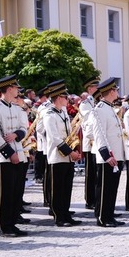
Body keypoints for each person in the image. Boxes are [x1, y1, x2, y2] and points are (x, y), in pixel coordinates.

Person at [0, 74, 29, 237]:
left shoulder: (17, 108)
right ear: (9, 89)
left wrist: (16, 134)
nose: (18, 90)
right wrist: (10, 153)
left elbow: (23, 127)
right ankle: (5, 226)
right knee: (5, 193)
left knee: (16, 191)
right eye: (16, 88)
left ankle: (13, 222)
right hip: (4, 157)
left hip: (19, 154)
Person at [42, 82, 82, 227]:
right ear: (59, 97)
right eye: (65, 96)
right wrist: (70, 152)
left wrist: (74, 148)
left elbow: (68, 133)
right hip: (57, 156)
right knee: (58, 189)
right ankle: (59, 217)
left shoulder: (63, 112)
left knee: (67, 187)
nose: (67, 99)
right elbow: (54, 138)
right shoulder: (49, 114)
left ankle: (66, 214)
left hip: (67, 156)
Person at [91, 78, 125, 227]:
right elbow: (99, 134)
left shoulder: (109, 107)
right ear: (111, 91)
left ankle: (109, 215)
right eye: (116, 90)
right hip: (108, 157)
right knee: (105, 189)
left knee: (112, 189)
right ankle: (102, 217)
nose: (117, 92)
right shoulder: (99, 109)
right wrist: (107, 155)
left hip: (116, 155)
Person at [79, 78, 99, 210]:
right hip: (89, 142)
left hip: (97, 142)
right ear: (90, 88)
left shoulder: (96, 102)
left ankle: (97, 199)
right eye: (95, 87)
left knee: (97, 173)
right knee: (90, 173)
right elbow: (89, 121)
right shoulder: (85, 104)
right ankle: (89, 199)